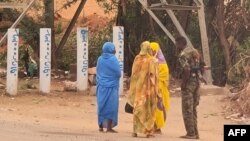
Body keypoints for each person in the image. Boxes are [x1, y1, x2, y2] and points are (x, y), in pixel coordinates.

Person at [175, 36, 205, 139]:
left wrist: (184, 83)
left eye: (176, 44)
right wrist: (198, 76)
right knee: (193, 109)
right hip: (197, 83)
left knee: (187, 109)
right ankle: (195, 133)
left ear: (179, 44)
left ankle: (191, 133)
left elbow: (186, 70)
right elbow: (202, 66)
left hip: (188, 84)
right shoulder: (195, 51)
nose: (176, 46)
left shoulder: (183, 55)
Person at [128, 41, 158, 138]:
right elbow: (153, 75)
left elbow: (133, 74)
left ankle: (134, 131)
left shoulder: (137, 58)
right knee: (148, 108)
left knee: (138, 107)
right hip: (148, 90)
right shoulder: (152, 60)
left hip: (138, 88)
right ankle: (148, 131)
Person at [96, 42, 121, 133]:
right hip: (112, 87)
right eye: (114, 48)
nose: (115, 50)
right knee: (111, 107)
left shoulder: (100, 59)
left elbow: (98, 71)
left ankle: (101, 126)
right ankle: (109, 128)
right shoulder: (113, 59)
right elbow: (118, 73)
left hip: (101, 86)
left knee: (101, 105)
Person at [150, 42, 170, 134]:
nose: (151, 51)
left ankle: (157, 127)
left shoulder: (161, 64)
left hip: (159, 89)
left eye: (153, 50)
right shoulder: (152, 61)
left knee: (159, 108)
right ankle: (154, 125)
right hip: (153, 88)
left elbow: (163, 76)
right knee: (154, 108)